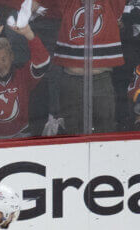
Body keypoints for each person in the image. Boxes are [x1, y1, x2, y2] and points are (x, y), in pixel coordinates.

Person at [46, 0, 125, 134]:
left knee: (105, 130)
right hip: (71, 80)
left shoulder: (109, 4)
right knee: (71, 131)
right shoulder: (68, 3)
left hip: (101, 79)